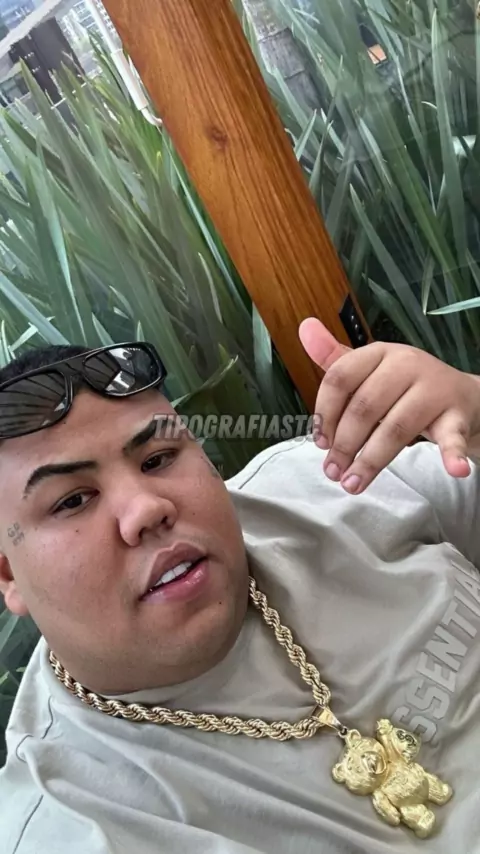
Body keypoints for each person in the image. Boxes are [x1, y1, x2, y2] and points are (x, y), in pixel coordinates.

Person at [1, 317, 480, 854]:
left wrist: (475, 409)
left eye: (158, 459)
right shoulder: (76, 825)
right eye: (72, 500)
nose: (147, 509)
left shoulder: (332, 482)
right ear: (8, 573)